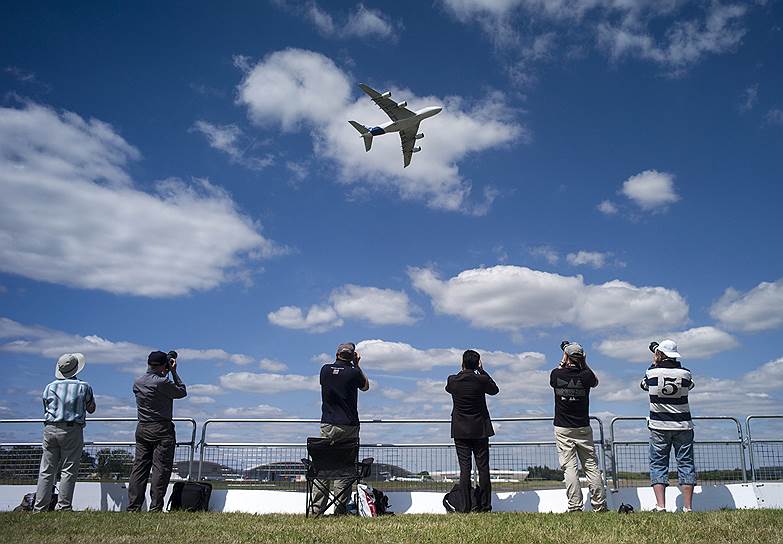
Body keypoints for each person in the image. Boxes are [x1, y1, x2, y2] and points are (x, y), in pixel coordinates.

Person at [310, 342, 370, 516]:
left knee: (323, 465)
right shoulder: (353, 372)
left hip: (328, 423)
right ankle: (340, 508)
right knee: (345, 467)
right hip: (349, 424)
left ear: (336, 355)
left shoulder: (325, 370)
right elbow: (365, 386)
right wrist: (357, 365)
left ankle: (316, 508)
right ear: (352, 356)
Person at [34, 353, 96, 512]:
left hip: (50, 428)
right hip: (71, 429)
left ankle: (39, 507)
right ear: (76, 369)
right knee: (68, 469)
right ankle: (64, 506)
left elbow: (46, 408)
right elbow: (91, 408)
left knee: (46, 470)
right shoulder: (83, 387)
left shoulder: (49, 387)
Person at [549, 341, 607, 513]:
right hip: (582, 426)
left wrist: (563, 359)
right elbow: (595, 382)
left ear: (566, 356)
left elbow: (555, 378)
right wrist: (584, 363)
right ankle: (599, 504)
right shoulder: (586, 375)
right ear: (582, 358)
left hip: (563, 427)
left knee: (569, 467)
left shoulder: (556, 374)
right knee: (591, 465)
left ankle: (575, 506)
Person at [127, 350, 187, 512]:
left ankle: (133, 506)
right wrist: (173, 372)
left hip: (142, 427)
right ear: (163, 365)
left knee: (139, 468)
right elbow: (181, 391)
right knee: (160, 468)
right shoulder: (162, 383)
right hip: (161, 428)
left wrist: (164, 371)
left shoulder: (138, 382)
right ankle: (155, 507)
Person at [641, 339, 696, 512]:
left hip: (659, 425)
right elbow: (690, 385)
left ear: (659, 354)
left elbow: (644, 385)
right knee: (686, 463)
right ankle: (688, 508)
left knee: (658, 464)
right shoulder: (686, 374)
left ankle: (661, 505)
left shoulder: (651, 373)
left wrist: (654, 364)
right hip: (683, 426)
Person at [445, 349, 498, 512]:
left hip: (460, 430)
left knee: (465, 469)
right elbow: (494, 390)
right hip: (480, 429)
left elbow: (449, 388)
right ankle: (485, 505)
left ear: (462, 363)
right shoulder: (481, 380)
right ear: (478, 363)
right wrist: (482, 370)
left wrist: (464, 370)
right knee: (483, 468)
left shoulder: (453, 381)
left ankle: (465, 506)